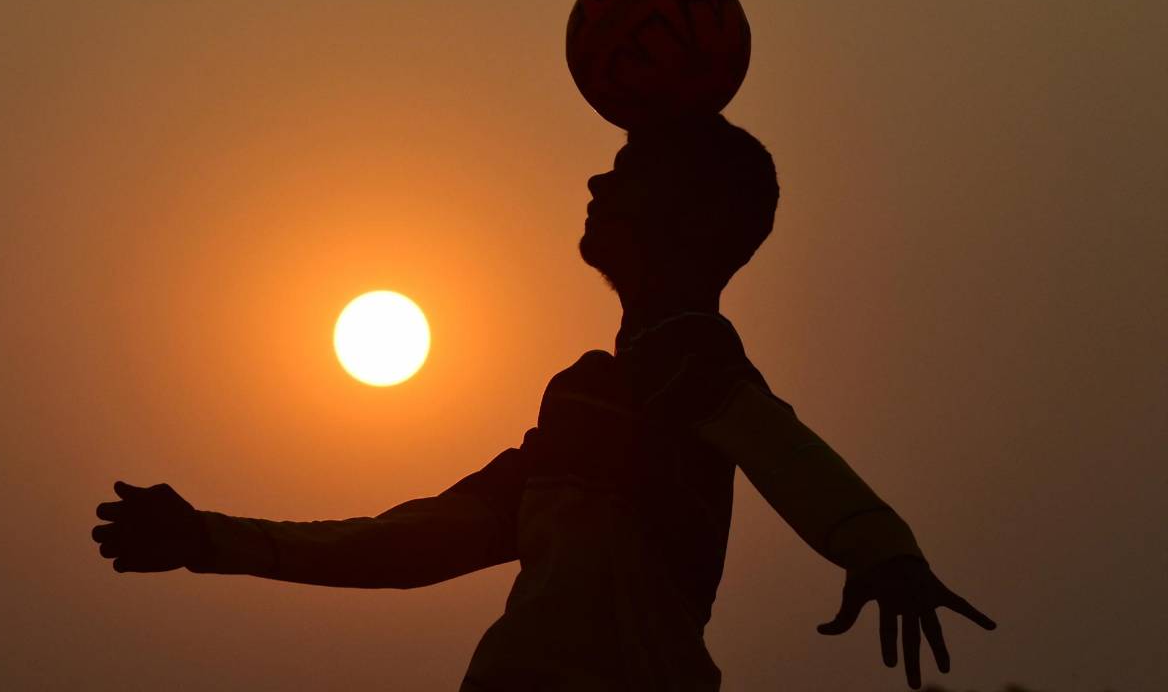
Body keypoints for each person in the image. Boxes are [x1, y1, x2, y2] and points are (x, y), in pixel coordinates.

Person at [92, 114, 996, 690]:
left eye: (628, 170)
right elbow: (416, 541)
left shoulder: (687, 357)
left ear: (698, 216)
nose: (599, 184)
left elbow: (774, 441)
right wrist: (213, 539)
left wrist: (880, 549)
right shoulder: (588, 399)